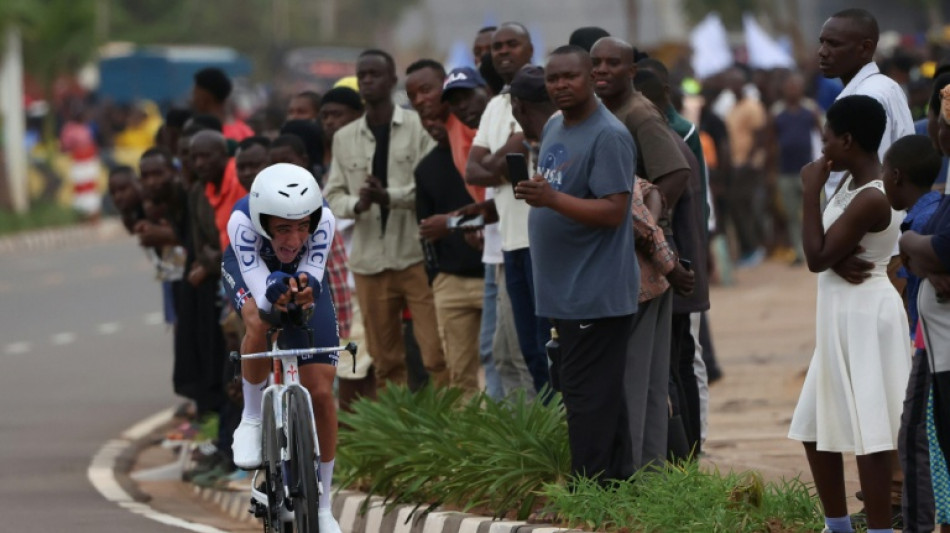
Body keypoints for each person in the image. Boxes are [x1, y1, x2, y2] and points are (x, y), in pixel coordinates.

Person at [787, 95, 912, 533]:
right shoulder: (849, 184)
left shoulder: (874, 194)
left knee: (870, 431)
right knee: (815, 424)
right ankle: (837, 524)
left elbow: (815, 256)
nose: (822, 148)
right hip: (840, 308)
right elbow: (828, 250)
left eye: (826, 139)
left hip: (864, 312)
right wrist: (833, 255)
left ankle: (877, 528)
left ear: (848, 139)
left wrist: (808, 193)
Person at [515, 45, 639, 481]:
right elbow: (560, 187)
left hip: (595, 291)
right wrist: (541, 193)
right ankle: (618, 487)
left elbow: (613, 211)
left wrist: (551, 199)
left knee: (586, 398)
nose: (561, 85)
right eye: (553, 79)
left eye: (570, 77)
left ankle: (589, 491)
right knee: (599, 396)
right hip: (564, 290)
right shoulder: (554, 126)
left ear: (591, 78)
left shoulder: (609, 135)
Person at [591, 36, 709, 457]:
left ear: (631, 71)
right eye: (596, 63)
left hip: (647, 256)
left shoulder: (639, 113)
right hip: (625, 252)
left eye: (612, 64)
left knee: (662, 370)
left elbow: (675, 174)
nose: (602, 70)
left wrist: (651, 225)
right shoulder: (604, 113)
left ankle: (677, 461)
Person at [222, 163, 342, 533]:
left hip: (300, 277)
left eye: (303, 226)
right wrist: (277, 295)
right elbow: (263, 296)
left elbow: (314, 280)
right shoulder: (241, 222)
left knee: (321, 391)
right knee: (259, 320)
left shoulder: (326, 221)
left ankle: (323, 509)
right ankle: (253, 417)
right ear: (262, 222)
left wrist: (304, 292)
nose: (294, 238)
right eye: (283, 228)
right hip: (253, 270)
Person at [323, 49, 447, 390]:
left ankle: (449, 431)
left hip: (413, 257)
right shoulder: (344, 138)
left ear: (393, 80)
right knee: (385, 358)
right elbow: (331, 197)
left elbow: (428, 188)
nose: (367, 81)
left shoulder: (417, 126)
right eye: (362, 75)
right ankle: (398, 434)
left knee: (435, 353)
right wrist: (359, 203)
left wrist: (388, 196)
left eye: (375, 74)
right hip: (368, 263)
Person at [465, 23, 550, 394]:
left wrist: (497, 162)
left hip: (542, 239)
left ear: (530, 48)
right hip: (509, 244)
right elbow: (474, 170)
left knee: (548, 345)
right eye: (496, 46)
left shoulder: (544, 95)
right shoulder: (495, 107)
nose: (501, 52)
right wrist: (502, 162)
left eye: (511, 44)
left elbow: (509, 155)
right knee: (525, 350)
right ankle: (543, 431)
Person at [444, 65, 532, 399]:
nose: (464, 106)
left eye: (469, 96)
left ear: (488, 90)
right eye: (455, 102)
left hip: (518, 249)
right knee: (497, 353)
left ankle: (529, 433)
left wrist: (454, 223)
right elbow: (477, 174)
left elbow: (501, 168)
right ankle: (507, 432)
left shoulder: (507, 114)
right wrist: (474, 218)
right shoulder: (479, 127)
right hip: (497, 252)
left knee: (520, 354)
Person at [883, 134, 943, 533]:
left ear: (897, 176)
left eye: (885, 174)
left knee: (915, 434)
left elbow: (930, 278)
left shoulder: (921, 222)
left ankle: (916, 523)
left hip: (933, 340)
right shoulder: (934, 208)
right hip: (930, 338)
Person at [817, 8, 915, 200]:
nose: (822, 52)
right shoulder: (883, 86)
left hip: (866, 222)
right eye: (822, 42)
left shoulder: (867, 96)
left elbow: (874, 179)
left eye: (834, 44)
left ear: (865, 48)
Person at [770, 72, 823, 265]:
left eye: (796, 85)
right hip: (785, 170)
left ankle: (819, 246)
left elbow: (822, 133)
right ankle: (800, 252)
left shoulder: (810, 109)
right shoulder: (776, 111)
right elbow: (771, 142)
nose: (792, 89)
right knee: (792, 214)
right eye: (789, 86)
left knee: (815, 210)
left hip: (808, 168)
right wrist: (772, 171)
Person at [190, 130, 248, 253]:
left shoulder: (239, 180)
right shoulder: (208, 186)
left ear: (224, 154)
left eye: (206, 156)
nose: (199, 163)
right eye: (194, 158)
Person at [192, 67, 254, 142]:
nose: (193, 100)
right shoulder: (245, 132)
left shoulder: (198, 134)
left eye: (195, 93)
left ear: (206, 96)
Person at [107, 165, 145, 233]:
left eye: (123, 189)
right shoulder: (131, 212)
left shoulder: (152, 206)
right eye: (113, 192)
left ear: (139, 182)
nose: (117, 196)